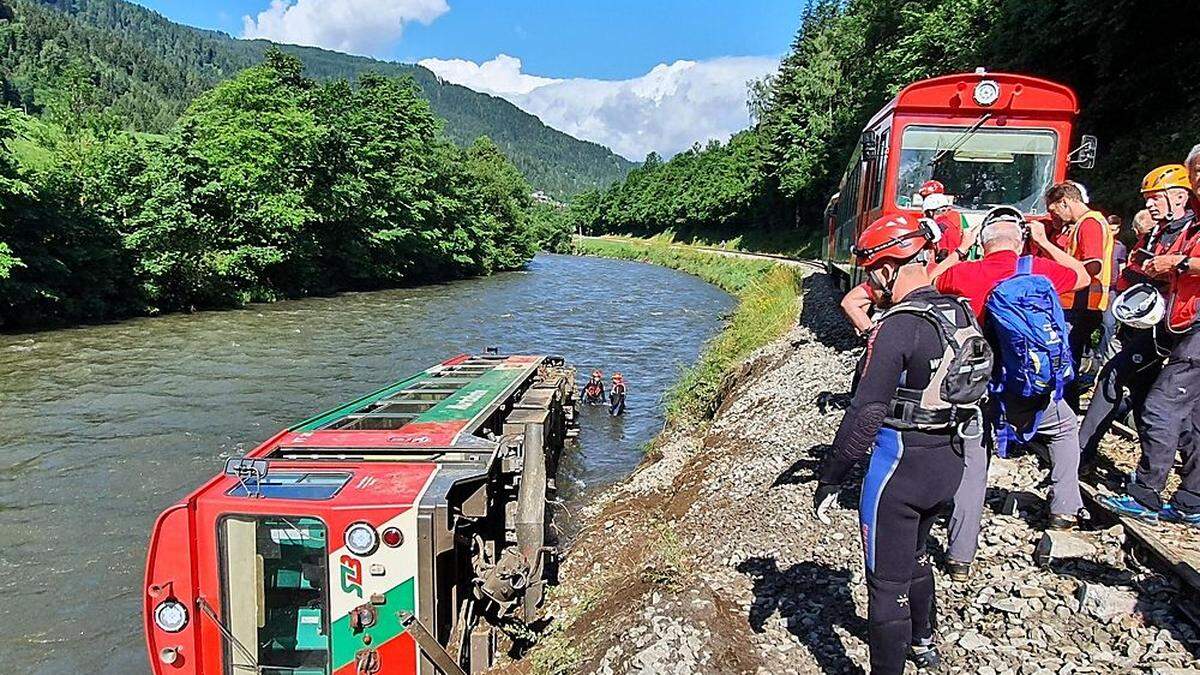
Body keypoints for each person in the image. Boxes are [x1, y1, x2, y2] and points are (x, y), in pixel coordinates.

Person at [815, 214, 981, 673]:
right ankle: (923, 641)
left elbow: (866, 413)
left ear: (888, 268)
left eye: (872, 272)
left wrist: (831, 476)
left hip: (898, 467)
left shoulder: (897, 325)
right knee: (916, 554)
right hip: (949, 461)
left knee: (886, 584)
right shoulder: (959, 310)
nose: (872, 283)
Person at [931, 209, 1089, 578]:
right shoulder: (1039, 269)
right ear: (1019, 242)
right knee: (1064, 429)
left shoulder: (965, 272)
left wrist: (959, 251)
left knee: (973, 467)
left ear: (983, 244)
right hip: (1028, 388)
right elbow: (1083, 276)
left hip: (981, 388)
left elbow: (923, 283)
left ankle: (959, 558)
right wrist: (1046, 243)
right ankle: (1064, 509)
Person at [1104, 153, 1200, 525]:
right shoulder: (1188, 224)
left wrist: (1174, 264)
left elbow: (1185, 265)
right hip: (1183, 324)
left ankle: (1145, 495)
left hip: (1195, 329)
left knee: (1161, 408)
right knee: (1192, 416)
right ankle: (1192, 499)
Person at [1079, 166, 1195, 471]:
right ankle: (1175, 472)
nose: (1149, 205)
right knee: (1147, 395)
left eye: (1155, 198)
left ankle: (1080, 457)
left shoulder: (1189, 230)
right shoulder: (1161, 230)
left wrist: (1164, 267)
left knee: (1115, 377)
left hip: (1172, 327)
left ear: (1179, 196)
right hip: (1156, 324)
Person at [1045, 182, 1115, 411]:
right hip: (1081, 304)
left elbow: (1093, 265)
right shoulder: (1084, 224)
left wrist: (1045, 244)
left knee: (1066, 363)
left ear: (1065, 202)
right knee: (1069, 362)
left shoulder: (1090, 224)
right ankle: (1065, 414)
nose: (1056, 217)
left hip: (1081, 304)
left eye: (1055, 211)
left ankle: (1064, 415)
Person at [1094, 215, 1128, 364]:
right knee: (1089, 322)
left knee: (1109, 324)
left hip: (1112, 289)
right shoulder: (1097, 245)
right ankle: (1088, 354)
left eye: (1114, 230)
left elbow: (1122, 268)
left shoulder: (1120, 247)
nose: (1111, 232)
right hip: (1095, 287)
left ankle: (1102, 356)